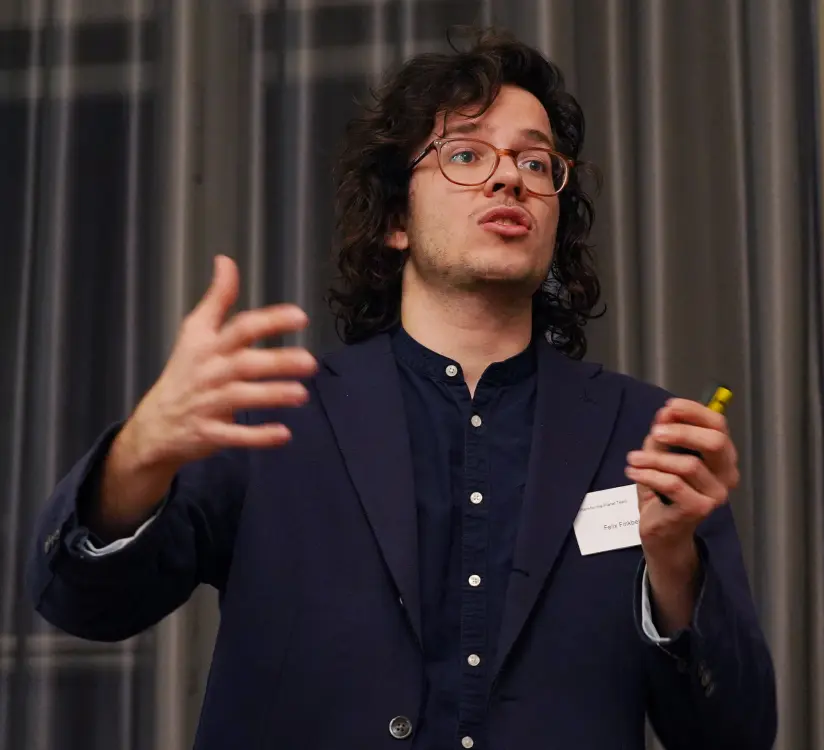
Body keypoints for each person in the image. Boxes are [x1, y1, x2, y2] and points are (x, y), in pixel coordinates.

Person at [28, 27, 776, 750]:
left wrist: (674, 564)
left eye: (537, 163)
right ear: (394, 220)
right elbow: (82, 605)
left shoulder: (646, 435)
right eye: (464, 153)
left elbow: (734, 732)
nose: (509, 175)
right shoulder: (278, 409)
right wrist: (139, 454)